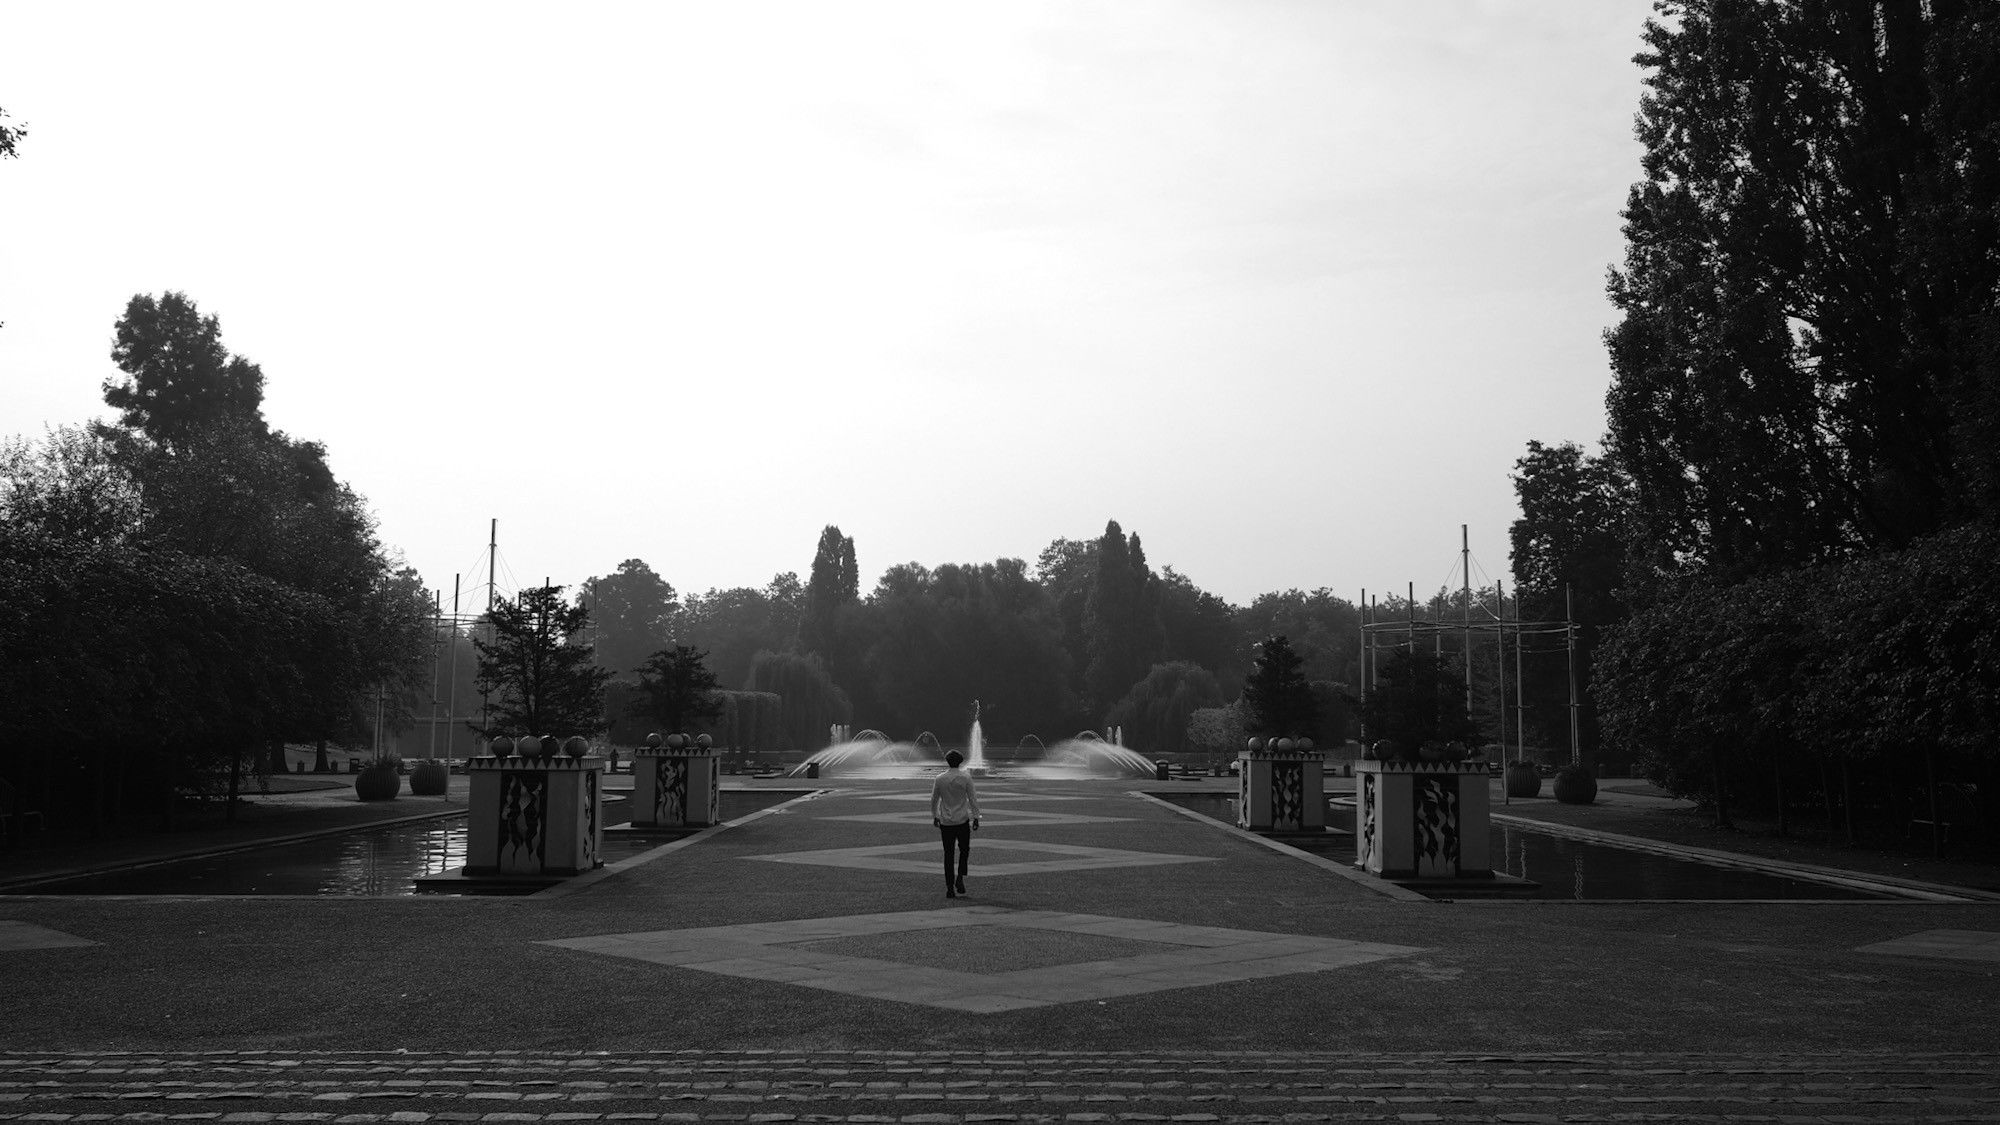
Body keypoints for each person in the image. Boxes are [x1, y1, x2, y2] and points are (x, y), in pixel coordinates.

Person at [930, 749, 981, 898]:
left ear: (947, 761)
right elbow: (972, 799)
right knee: (964, 850)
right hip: (962, 820)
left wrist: (935, 816)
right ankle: (960, 877)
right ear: (960, 762)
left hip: (946, 822)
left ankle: (949, 888)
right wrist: (976, 817)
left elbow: (934, 800)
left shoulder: (940, 778)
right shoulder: (966, 777)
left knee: (948, 854)